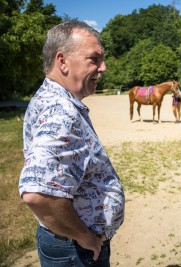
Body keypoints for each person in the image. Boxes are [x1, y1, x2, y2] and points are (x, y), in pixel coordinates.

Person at [18, 20, 125, 267]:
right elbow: (37, 194)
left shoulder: (50, 96)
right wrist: (84, 236)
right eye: (94, 59)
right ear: (62, 61)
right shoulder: (60, 111)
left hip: (66, 244)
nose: (104, 67)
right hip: (76, 249)